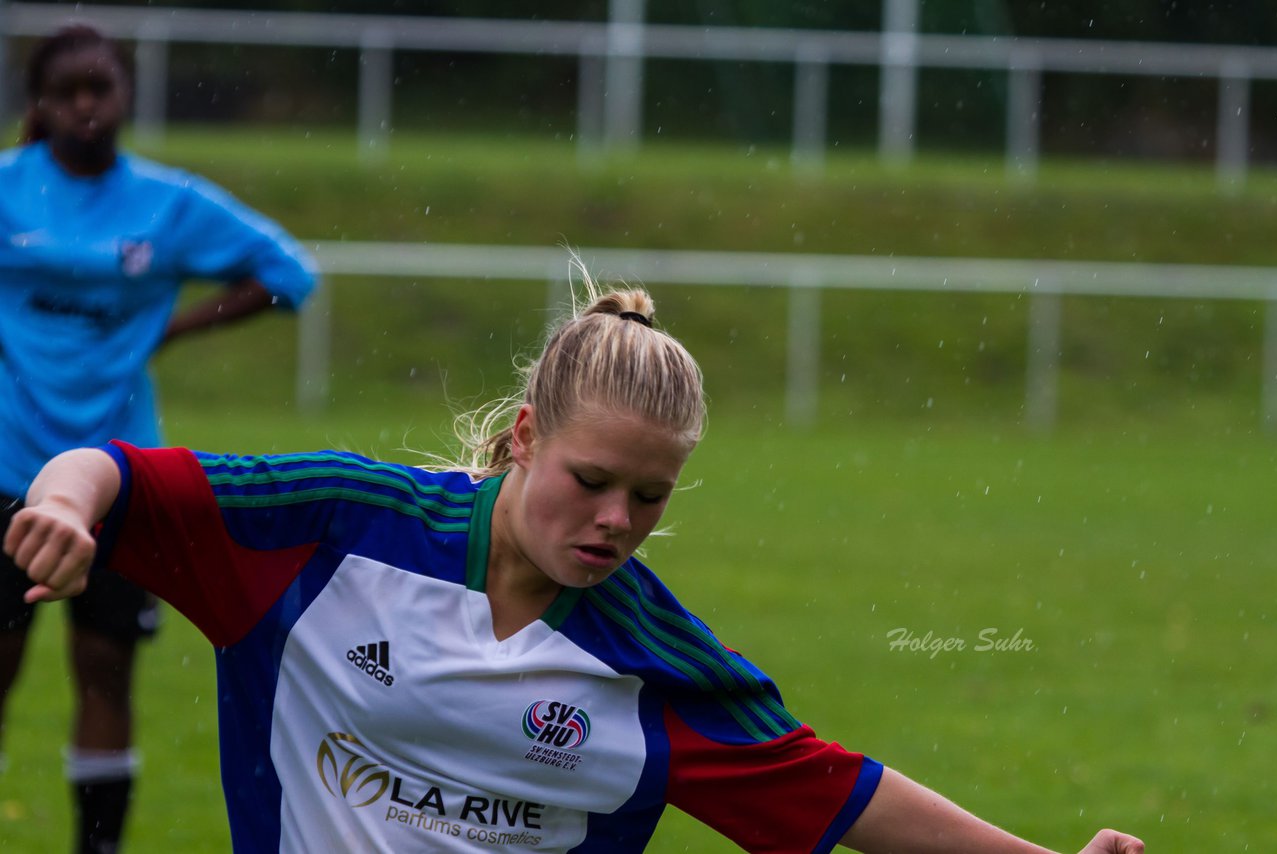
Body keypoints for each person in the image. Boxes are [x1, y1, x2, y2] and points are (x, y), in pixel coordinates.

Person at [4, 273, 1141, 854]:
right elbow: (120, 469)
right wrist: (63, 500)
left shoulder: (649, 660)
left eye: (649, 497)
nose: (614, 519)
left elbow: (835, 790)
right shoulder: (337, 529)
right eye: (590, 480)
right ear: (523, 439)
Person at [0, 23, 316, 854]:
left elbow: (289, 273)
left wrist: (171, 329)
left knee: (105, 669)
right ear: (39, 102)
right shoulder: (5, 189)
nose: (84, 107)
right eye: (66, 93)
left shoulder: (166, 203)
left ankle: (97, 848)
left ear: (126, 95)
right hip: (6, 466)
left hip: (117, 478)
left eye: (99, 89)